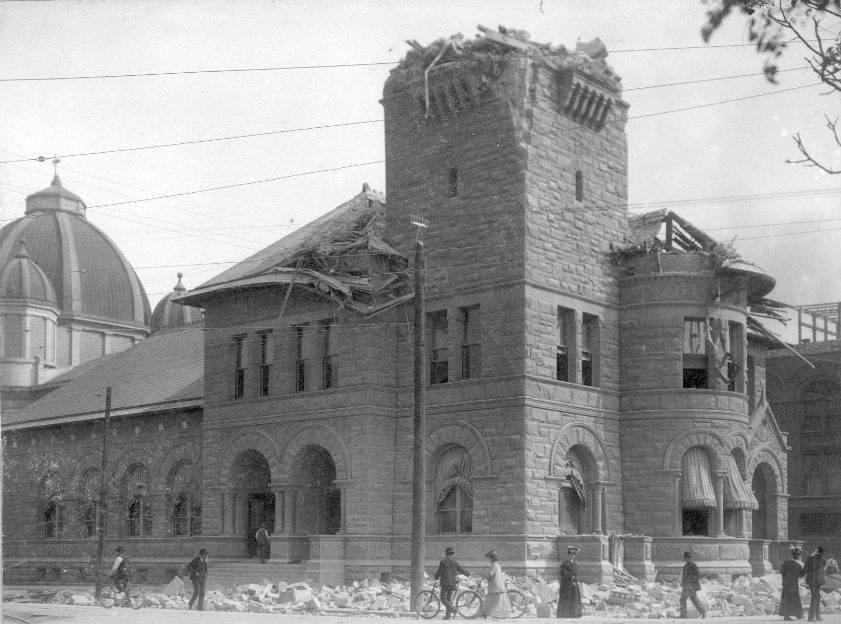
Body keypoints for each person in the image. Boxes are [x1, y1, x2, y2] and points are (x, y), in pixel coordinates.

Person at [434, 547, 470, 620]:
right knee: (449, 599)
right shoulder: (455, 563)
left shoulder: (443, 562)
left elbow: (439, 571)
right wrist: (468, 574)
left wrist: (436, 578)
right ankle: (448, 616)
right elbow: (461, 570)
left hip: (445, 582)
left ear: (446, 554)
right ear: (452, 555)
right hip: (452, 583)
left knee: (443, 599)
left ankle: (454, 610)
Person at [482, 550, 511, 618]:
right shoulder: (497, 565)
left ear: (492, 558)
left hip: (495, 586)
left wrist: (483, 574)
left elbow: (490, 574)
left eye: (489, 558)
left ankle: (485, 613)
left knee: (490, 601)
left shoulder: (494, 565)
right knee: (500, 602)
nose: (489, 560)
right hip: (499, 586)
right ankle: (503, 614)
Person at [679, 551, 707, 619]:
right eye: (685, 558)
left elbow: (697, 575)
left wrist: (691, 582)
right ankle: (684, 615)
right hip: (686, 586)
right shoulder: (685, 566)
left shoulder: (693, 565)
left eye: (686, 558)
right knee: (683, 600)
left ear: (689, 558)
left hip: (691, 586)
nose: (685, 559)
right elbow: (684, 576)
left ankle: (703, 612)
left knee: (693, 599)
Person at [779, 547, 805, 621]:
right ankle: (798, 614)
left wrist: (784, 581)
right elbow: (801, 575)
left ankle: (786, 615)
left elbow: (782, 573)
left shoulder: (785, 563)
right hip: (793, 584)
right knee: (795, 599)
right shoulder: (797, 565)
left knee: (786, 599)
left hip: (786, 584)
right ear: (798, 556)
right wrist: (805, 569)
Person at [557, 546, 582, 619]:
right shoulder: (565, 564)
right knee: (566, 599)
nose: (572, 557)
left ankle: (574, 614)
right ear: (568, 555)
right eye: (571, 555)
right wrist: (570, 575)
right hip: (566, 585)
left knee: (574, 599)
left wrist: (573, 577)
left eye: (573, 556)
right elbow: (563, 573)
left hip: (574, 585)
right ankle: (565, 614)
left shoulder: (574, 564)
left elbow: (576, 572)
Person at [804, 545, 827, 621]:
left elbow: (806, 566)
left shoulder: (809, 558)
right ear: (822, 553)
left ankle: (817, 616)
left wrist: (813, 553)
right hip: (818, 581)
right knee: (815, 597)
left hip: (811, 580)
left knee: (816, 596)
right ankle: (811, 617)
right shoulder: (823, 560)